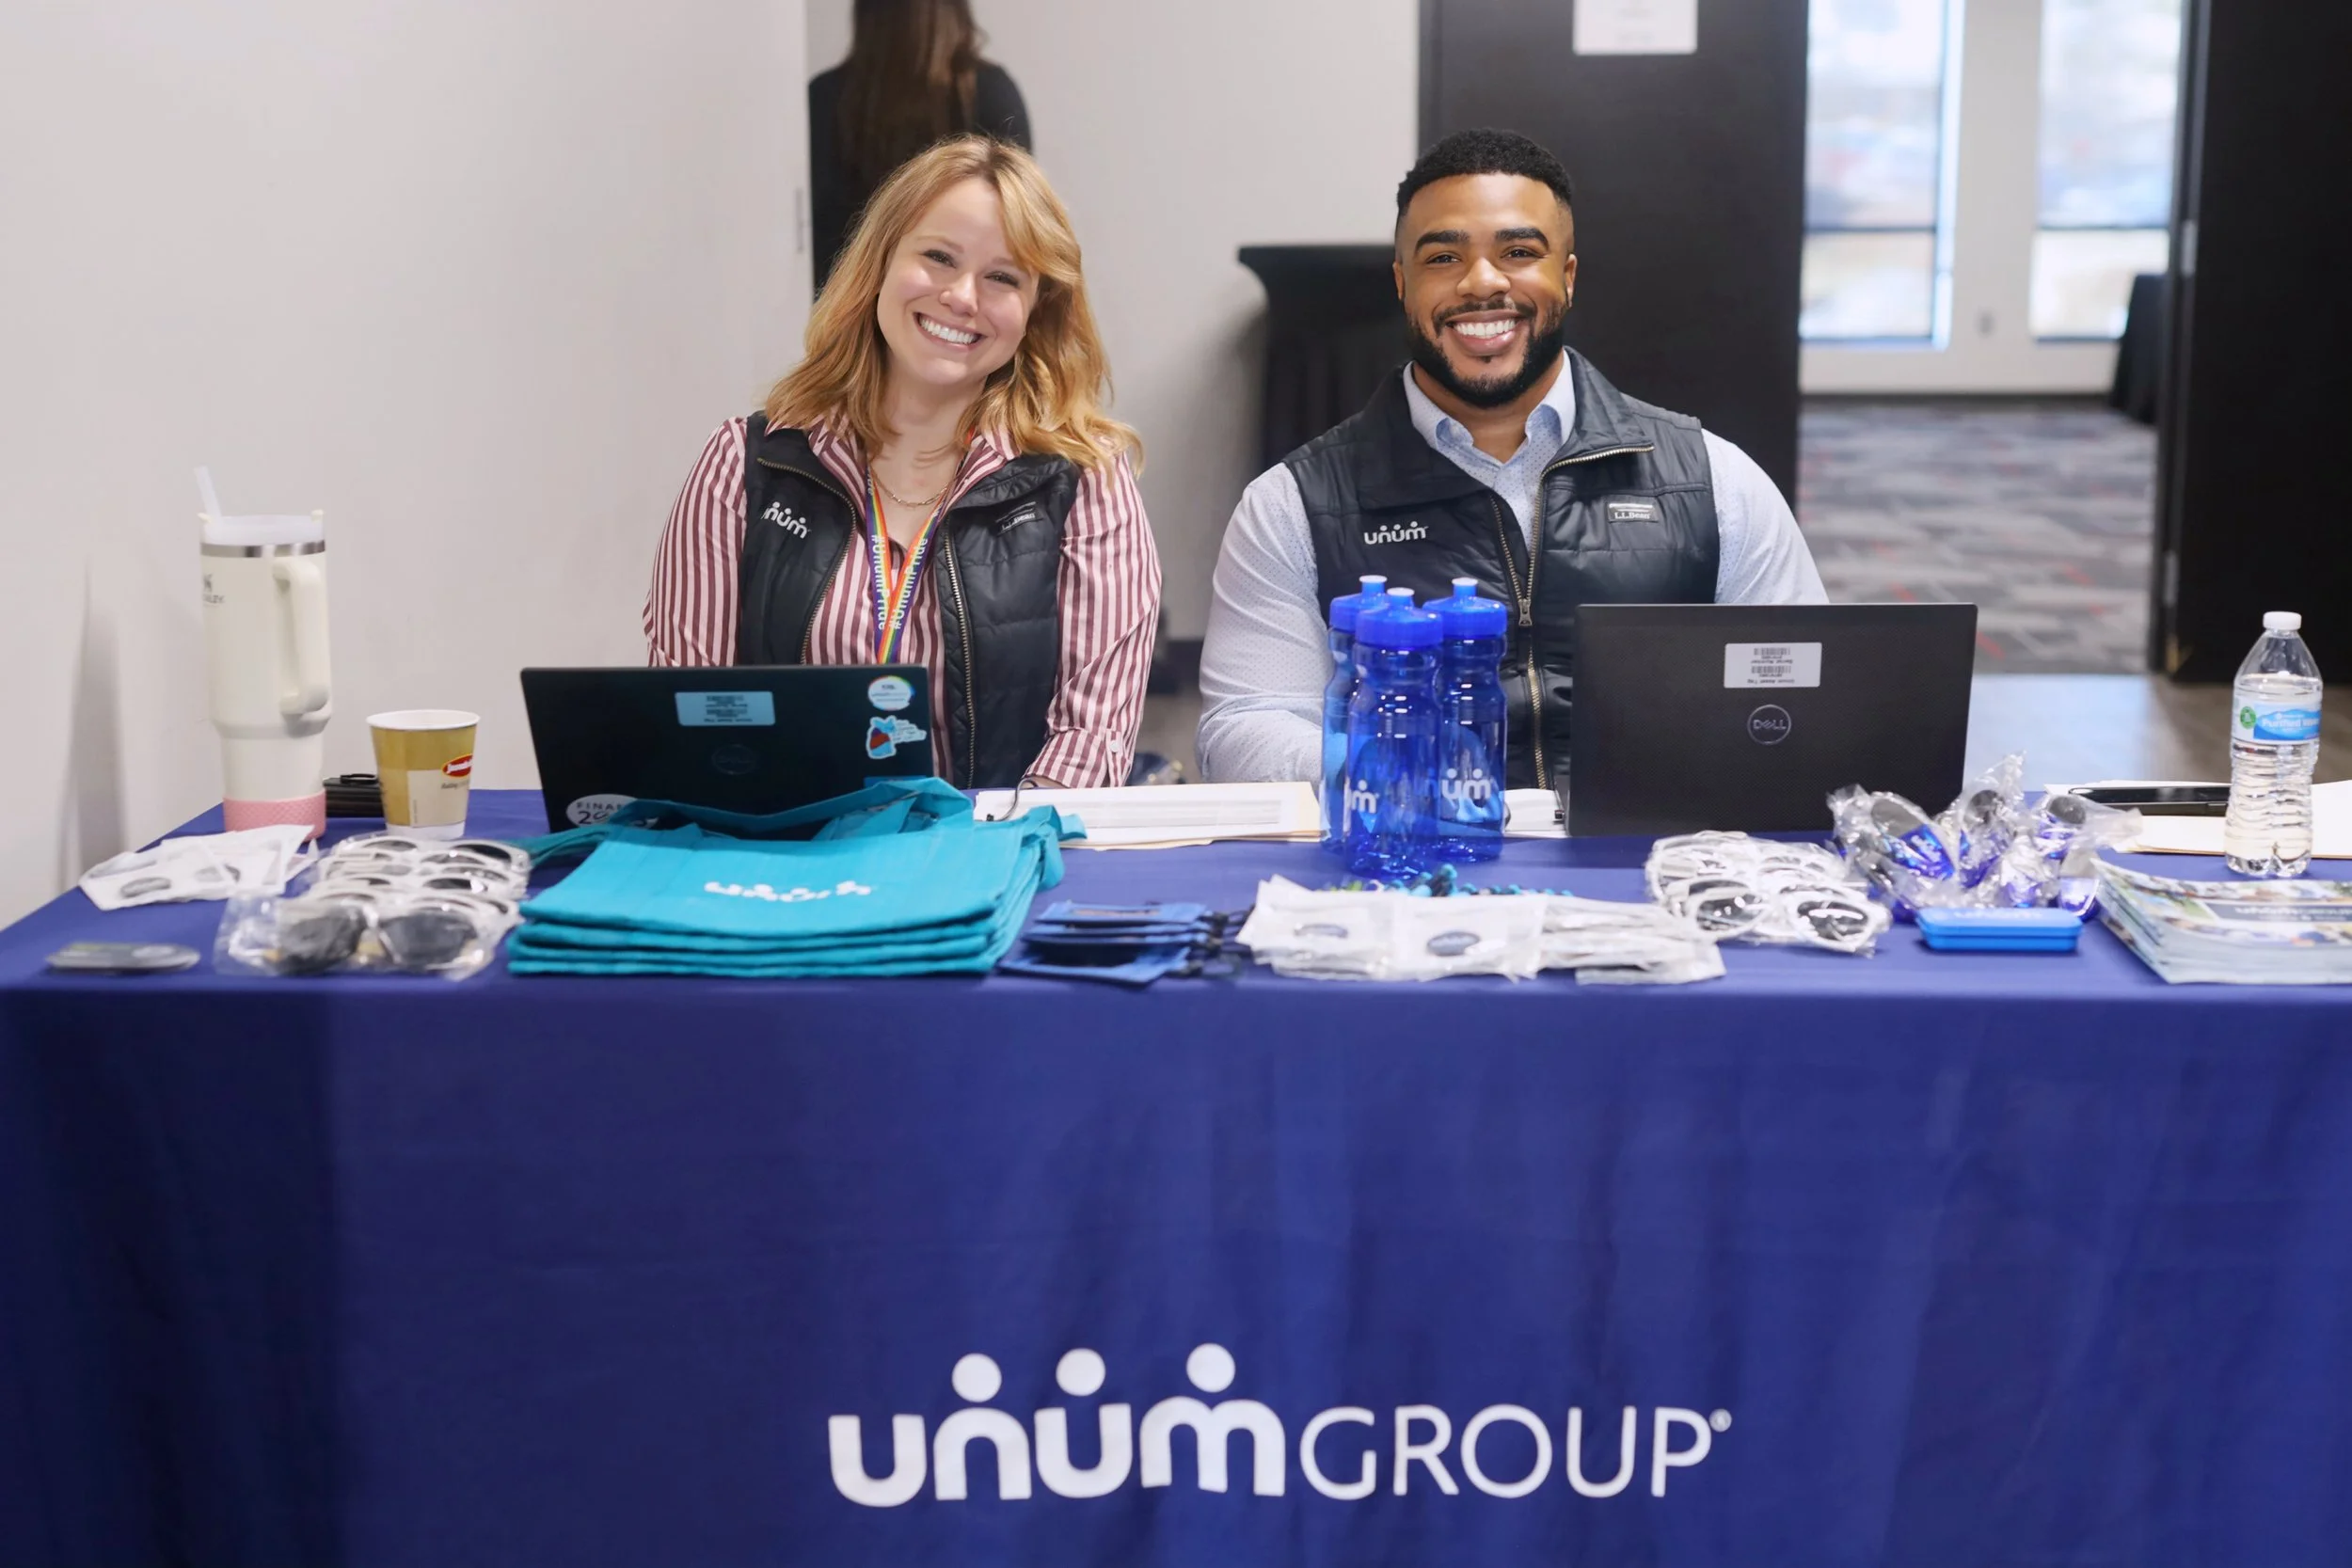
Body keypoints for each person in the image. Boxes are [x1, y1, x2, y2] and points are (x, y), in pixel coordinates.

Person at [1198, 128, 1825, 791]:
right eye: (1443, 258)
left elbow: (1808, 689)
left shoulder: (1712, 481)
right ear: (1402, 284)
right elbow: (1247, 724)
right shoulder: (1293, 503)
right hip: (1411, 870)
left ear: (1569, 276)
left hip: (1644, 869)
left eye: (1520, 251)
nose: (1483, 283)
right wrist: (1394, 770)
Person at [644, 135, 1158, 790]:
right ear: (880, 263)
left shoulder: (1086, 482)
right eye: (939, 257)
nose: (963, 296)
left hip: (991, 866)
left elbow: (1090, 747)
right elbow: (686, 719)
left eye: (1003, 277)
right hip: (784, 862)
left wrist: (970, 859)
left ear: (1036, 310)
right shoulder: (743, 465)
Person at [808, 0, 1031, 289]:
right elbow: (1020, 225)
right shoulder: (991, 94)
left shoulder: (825, 98)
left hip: (851, 304)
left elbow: (821, 235)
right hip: (968, 307)